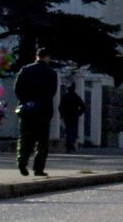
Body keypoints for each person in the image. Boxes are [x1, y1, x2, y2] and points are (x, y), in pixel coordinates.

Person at [13, 47, 59, 177]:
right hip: (43, 111)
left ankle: (22, 161)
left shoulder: (25, 70)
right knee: (42, 141)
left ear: (37, 56)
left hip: (27, 110)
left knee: (25, 138)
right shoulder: (51, 73)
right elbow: (52, 92)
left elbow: (17, 88)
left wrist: (25, 101)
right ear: (47, 57)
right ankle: (38, 168)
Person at [58, 84, 86, 152]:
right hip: (74, 116)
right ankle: (71, 144)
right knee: (73, 132)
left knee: (68, 131)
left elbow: (60, 107)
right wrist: (78, 113)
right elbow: (83, 107)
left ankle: (69, 145)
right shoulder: (76, 97)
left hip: (67, 116)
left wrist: (62, 114)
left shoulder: (65, 97)